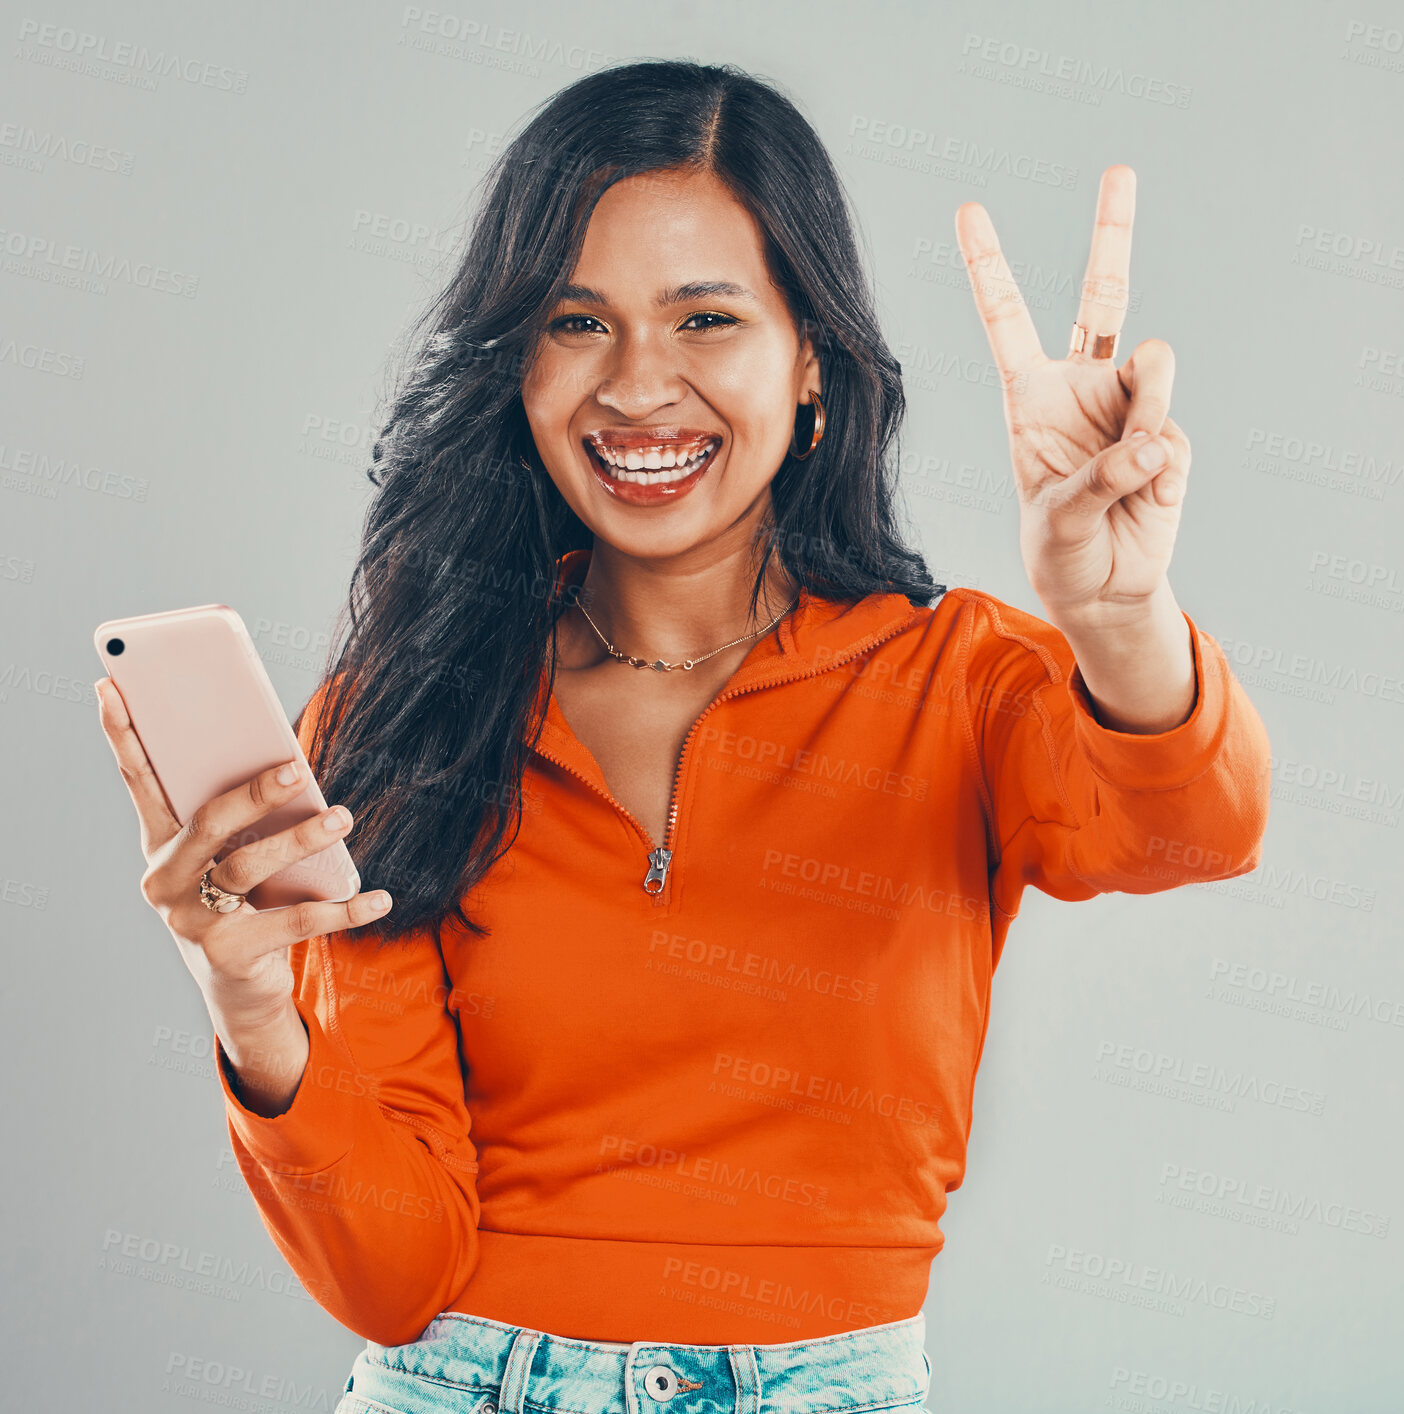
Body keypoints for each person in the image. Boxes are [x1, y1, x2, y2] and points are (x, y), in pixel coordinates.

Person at [95, 57, 1270, 1414]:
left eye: (705, 318)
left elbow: (1193, 829)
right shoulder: (400, 710)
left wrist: (1118, 613)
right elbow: (391, 1275)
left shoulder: (963, 681)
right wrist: (250, 1012)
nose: (637, 387)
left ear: (811, 355)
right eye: (576, 322)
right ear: (518, 360)